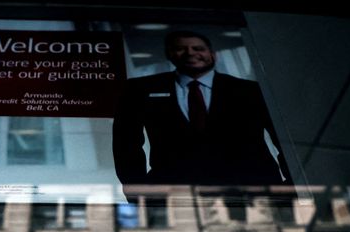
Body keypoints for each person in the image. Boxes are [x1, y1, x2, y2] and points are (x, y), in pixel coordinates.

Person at [112, 30, 290, 188]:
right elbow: (126, 145)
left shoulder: (251, 91)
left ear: (213, 55)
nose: (190, 52)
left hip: (255, 190)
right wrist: (138, 193)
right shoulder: (140, 89)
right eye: (181, 48)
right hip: (177, 195)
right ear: (169, 54)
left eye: (198, 48)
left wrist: (291, 186)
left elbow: (284, 139)